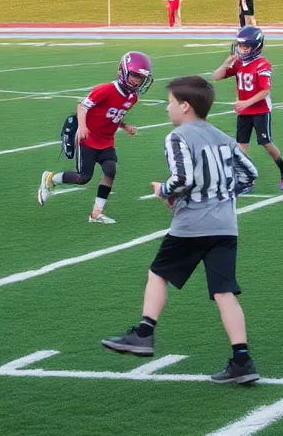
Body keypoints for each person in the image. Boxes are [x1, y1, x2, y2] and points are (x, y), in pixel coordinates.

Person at [100, 75, 261, 384]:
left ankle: (144, 333)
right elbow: (249, 173)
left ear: (185, 107)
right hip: (226, 225)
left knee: (158, 273)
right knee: (224, 291)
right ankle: (242, 360)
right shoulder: (223, 136)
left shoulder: (178, 136)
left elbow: (183, 177)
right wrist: (222, 194)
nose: (167, 108)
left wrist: (165, 191)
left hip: (193, 224)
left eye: (170, 102)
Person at [38, 52, 153, 223]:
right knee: (83, 178)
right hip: (89, 139)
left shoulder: (132, 97)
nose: (137, 80)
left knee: (110, 171)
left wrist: (124, 126)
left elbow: (113, 114)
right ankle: (50, 179)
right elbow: (82, 107)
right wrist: (83, 127)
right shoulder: (106, 89)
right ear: (123, 71)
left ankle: (96, 213)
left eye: (141, 77)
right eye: (135, 75)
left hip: (107, 140)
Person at [213, 26, 283, 190]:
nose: (242, 49)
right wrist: (226, 62)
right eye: (240, 46)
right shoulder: (239, 63)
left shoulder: (262, 64)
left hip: (260, 110)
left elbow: (265, 90)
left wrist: (246, 102)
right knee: (242, 147)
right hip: (244, 111)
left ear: (256, 47)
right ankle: (246, 179)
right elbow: (216, 77)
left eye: (246, 46)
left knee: (266, 143)